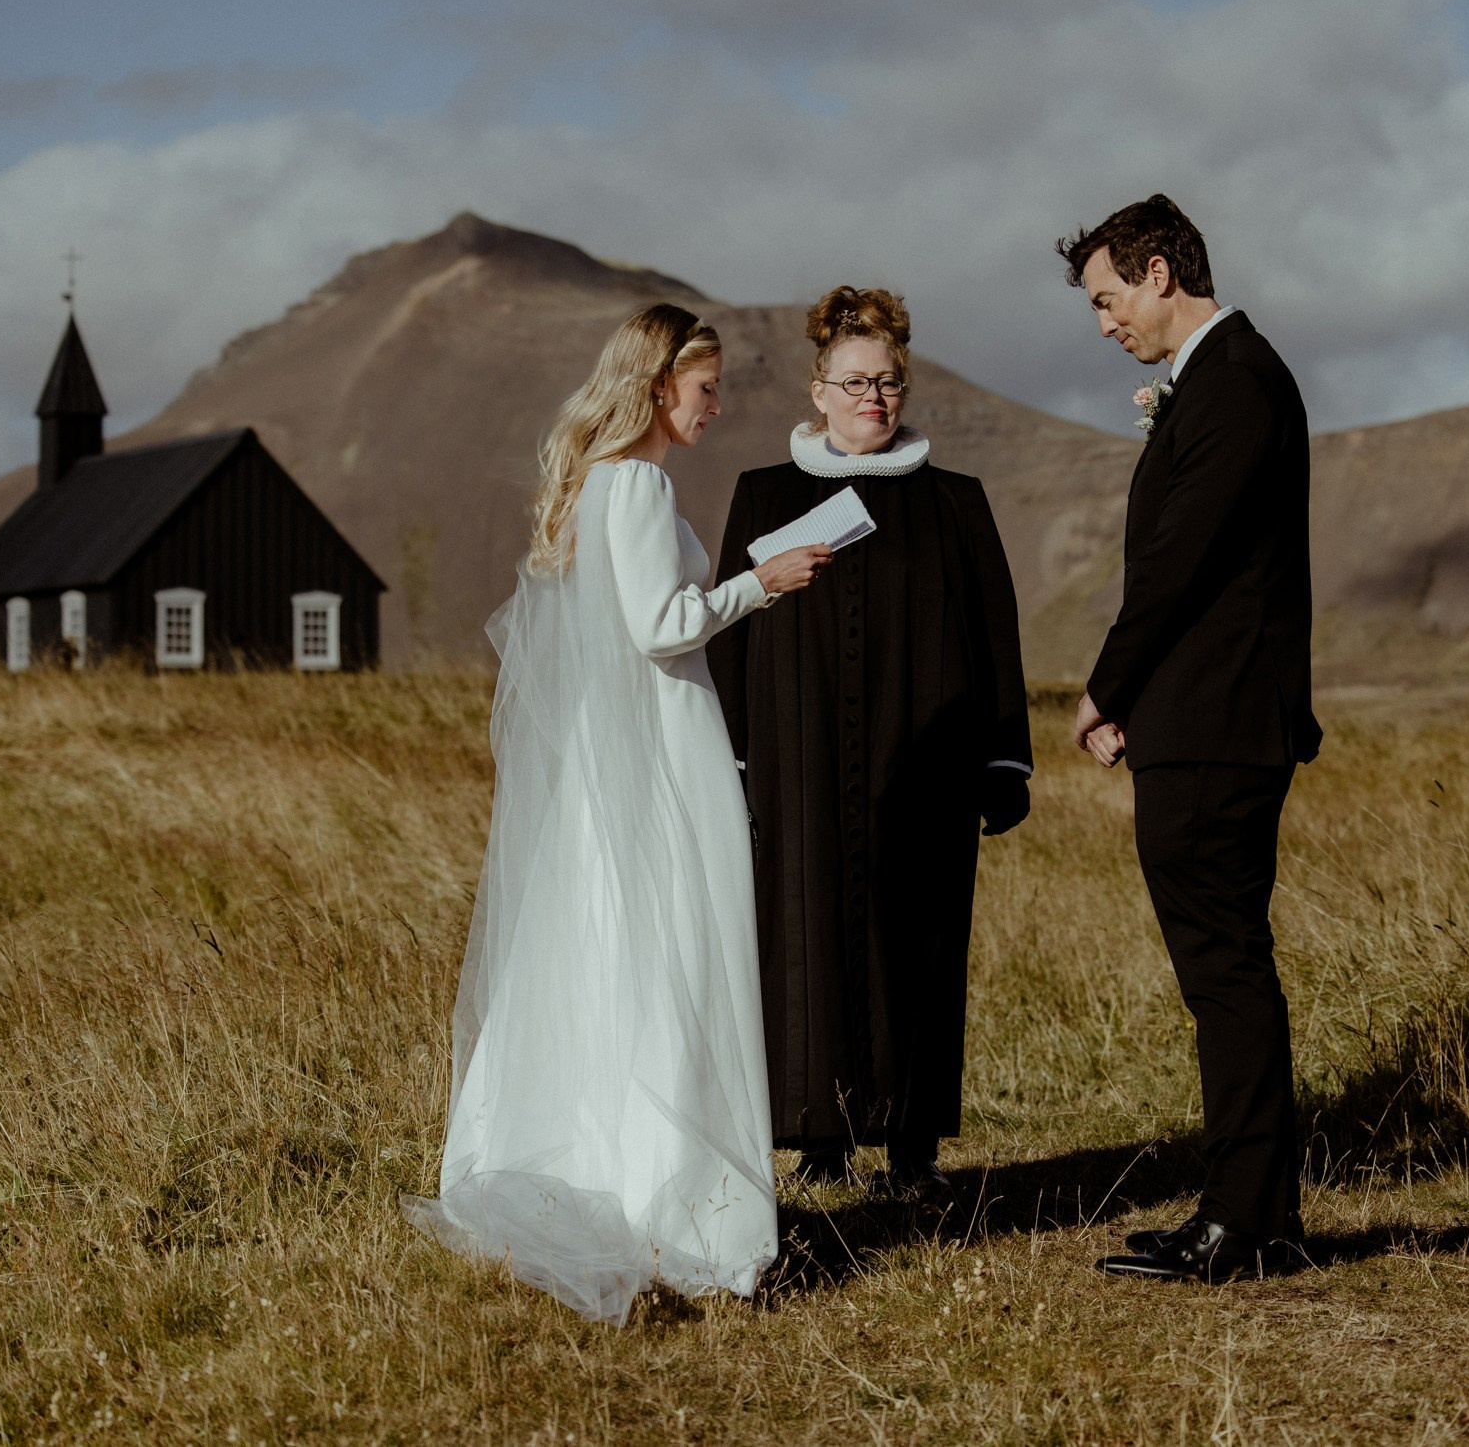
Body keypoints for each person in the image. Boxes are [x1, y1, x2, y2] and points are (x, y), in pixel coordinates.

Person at [401, 303, 832, 1324]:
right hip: (663, 746)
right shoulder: (635, 483)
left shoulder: (604, 485)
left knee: (617, 963)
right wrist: (759, 585)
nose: (717, 406)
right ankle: (683, 1208)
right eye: (706, 388)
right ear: (656, 386)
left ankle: (630, 1177)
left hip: (617, 753)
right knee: (677, 960)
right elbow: (655, 628)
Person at [708, 287, 1032, 1199]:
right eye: (854, 381)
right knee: (800, 935)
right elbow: (730, 634)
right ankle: (820, 1139)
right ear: (817, 390)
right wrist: (729, 757)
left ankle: (914, 1142)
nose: (873, 399)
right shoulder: (762, 496)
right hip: (794, 764)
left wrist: (1006, 759)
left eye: (887, 381)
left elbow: (994, 634)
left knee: (919, 942)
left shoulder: (956, 503)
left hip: (926, 766)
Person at [1056, 196, 1322, 1283]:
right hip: (1202, 715)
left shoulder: (1233, 384)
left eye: (1109, 298)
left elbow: (1178, 562)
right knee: (1225, 968)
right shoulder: (1219, 382)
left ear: (1160, 273)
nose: (1105, 322)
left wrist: (1103, 688)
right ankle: (1256, 1216)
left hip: (1213, 724)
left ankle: (1240, 1224)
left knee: (1223, 972)